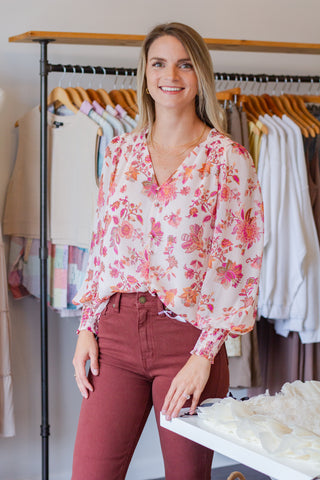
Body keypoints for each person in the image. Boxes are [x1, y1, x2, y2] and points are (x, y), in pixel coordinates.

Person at [71, 22, 264, 480]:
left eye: (183, 63)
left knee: (185, 476)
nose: (170, 74)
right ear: (145, 73)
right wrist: (86, 326)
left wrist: (205, 356)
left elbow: (238, 264)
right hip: (113, 334)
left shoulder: (228, 159)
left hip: (188, 340)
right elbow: (102, 244)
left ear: (200, 75)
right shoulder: (119, 151)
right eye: (158, 63)